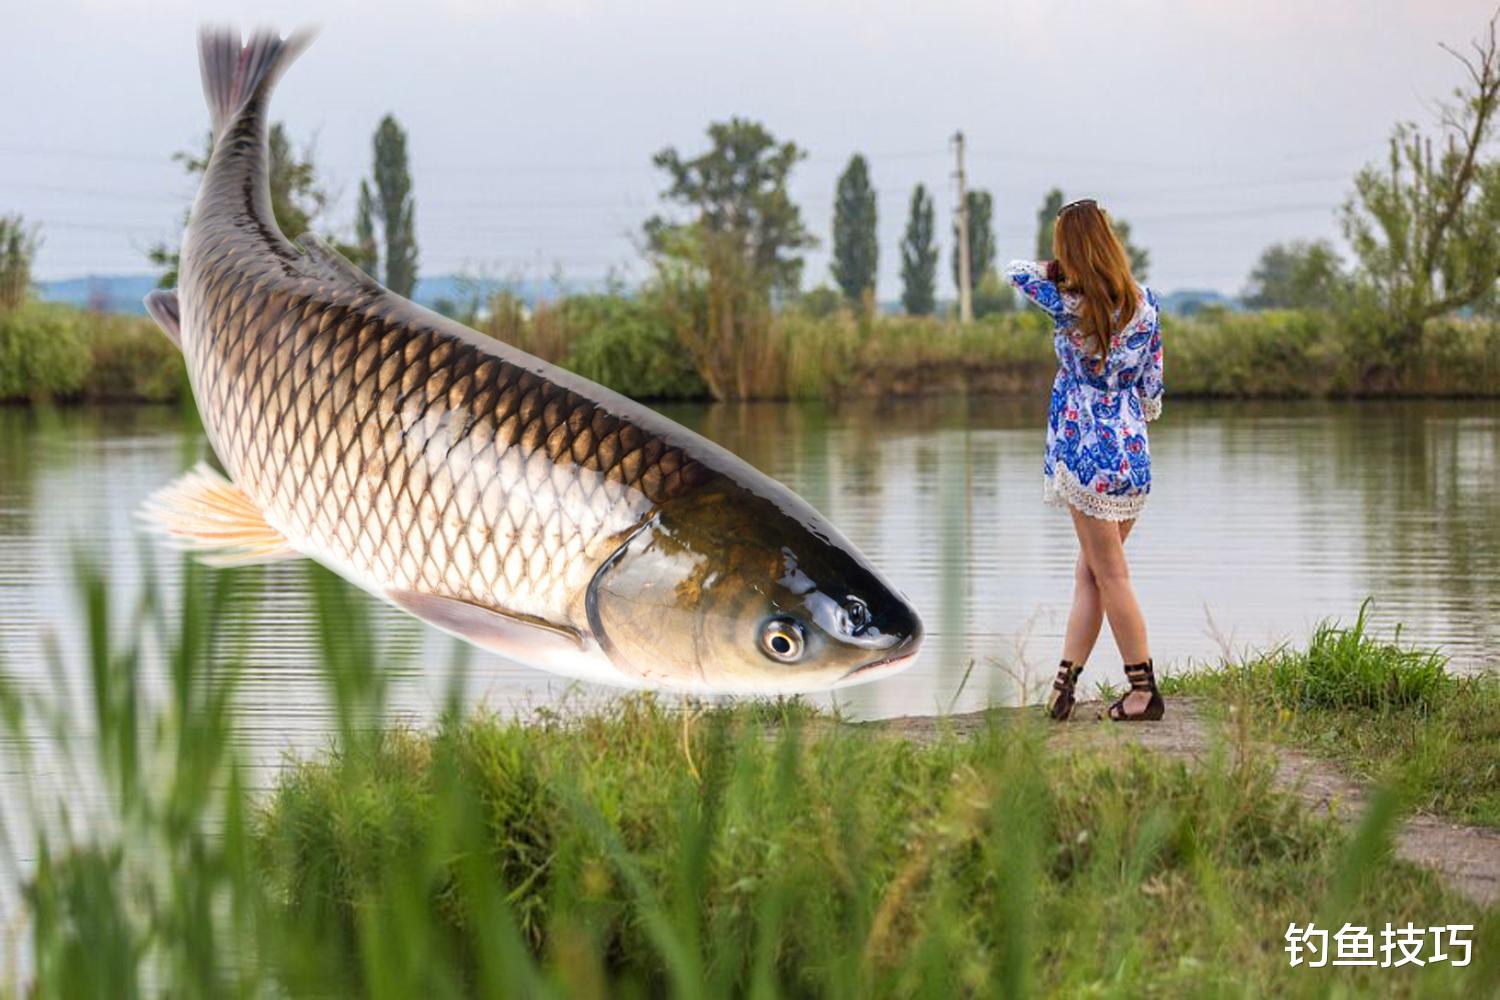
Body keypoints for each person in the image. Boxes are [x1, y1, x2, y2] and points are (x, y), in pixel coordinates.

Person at [1005, 199, 1165, 722]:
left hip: (1085, 449)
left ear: (1071, 251)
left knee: (1110, 575)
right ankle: (1063, 689)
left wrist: (1060, 269)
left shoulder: (1067, 302)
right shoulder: (1147, 305)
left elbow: (1014, 271)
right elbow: (1151, 390)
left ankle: (1143, 691)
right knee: (1092, 573)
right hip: (1130, 448)